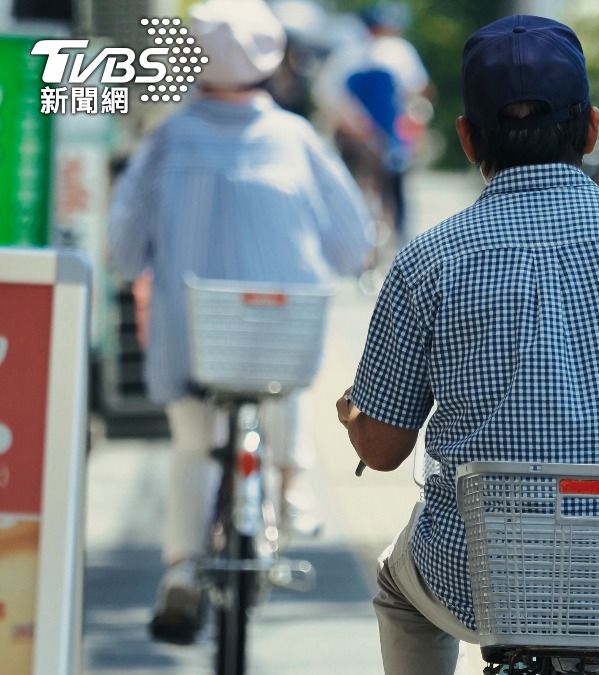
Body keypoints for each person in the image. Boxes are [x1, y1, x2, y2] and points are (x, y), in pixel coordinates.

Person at [335, 15, 599, 675]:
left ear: (468, 135)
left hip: (481, 583)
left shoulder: (429, 261)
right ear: (591, 128)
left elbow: (384, 449)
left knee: (399, 591)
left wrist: (352, 414)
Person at [107, 0, 372, 644]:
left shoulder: (167, 138)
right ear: (272, 58)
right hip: (283, 339)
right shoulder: (297, 138)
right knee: (282, 380)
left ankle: (179, 568)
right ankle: (290, 485)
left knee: (194, 446)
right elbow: (352, 245)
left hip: (192, 338)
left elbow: (121, 249)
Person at [315, 2, 433, 246]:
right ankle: (393, 242)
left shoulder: (349, 53)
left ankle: (364, 241)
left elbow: (326, 94)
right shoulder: (396, 51)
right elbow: (418, 91)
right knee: (384, 190)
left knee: (365, 190)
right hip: (374, 137)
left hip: (365, 136)